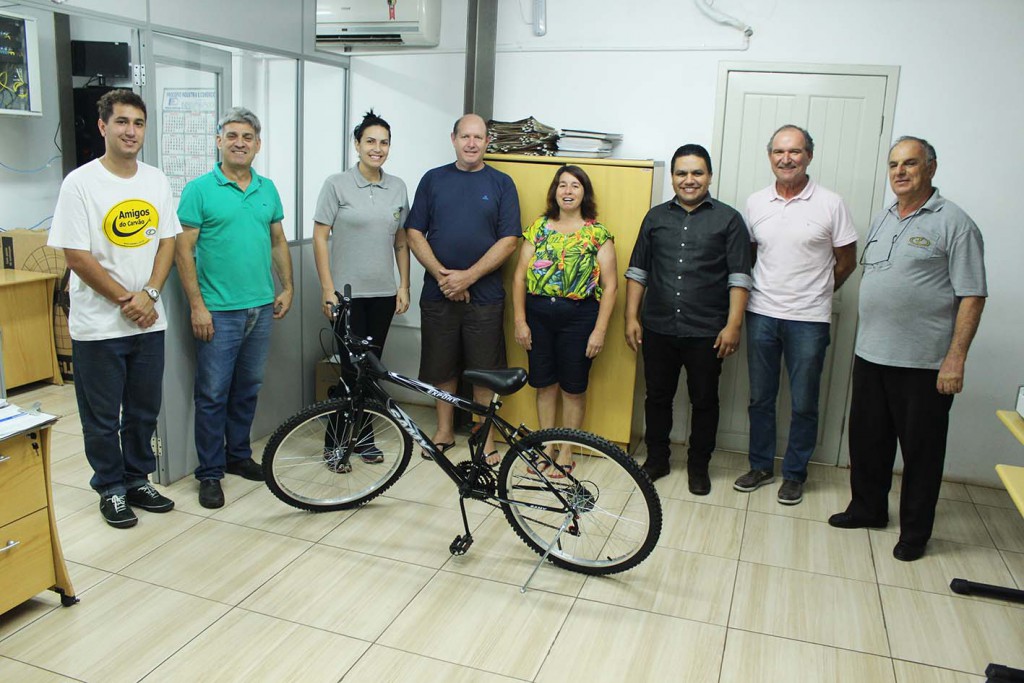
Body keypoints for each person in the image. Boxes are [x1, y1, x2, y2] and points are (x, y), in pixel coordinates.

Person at [829, 136, 986, 562]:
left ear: (931, 169)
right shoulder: (884, 218)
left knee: (921, 453)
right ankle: (867, 508)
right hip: (872, 354)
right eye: (894, 164)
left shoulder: (955, 223)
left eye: (911, 163)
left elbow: (972, 295)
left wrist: (955, 358)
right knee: (868, 441)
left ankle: (915, 533)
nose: (900, 171)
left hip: (923, 363)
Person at [48, 89, 180, 528]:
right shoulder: (80, 183)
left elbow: (167, 241)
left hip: (149, 322)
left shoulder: (155, 180)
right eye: (122, 122)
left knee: (143, 410)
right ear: (103, 126)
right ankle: (110, 487)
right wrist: (128, 300)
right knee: (102, 416)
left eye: (138, 123)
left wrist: (152, 295)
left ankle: (137, 477)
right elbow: (75, 255)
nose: (131, 131)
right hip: (99, 327)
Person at [176, 106, 294, 509]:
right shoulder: (199, 190)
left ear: (257, 144)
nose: (240, 143)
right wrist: (197, 305)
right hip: (218, 312)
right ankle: (209, 473)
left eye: (247, 137)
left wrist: (288, 286)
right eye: (232, 136)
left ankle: (238, 455)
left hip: (260, 307)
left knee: (247, 389)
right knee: (211, 394)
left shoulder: (268, 189)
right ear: (219, 141)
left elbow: (278, 241)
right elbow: (183, 251)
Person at [734, 124, 857, 505]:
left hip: (809, 319)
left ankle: (795, 474)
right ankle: (760, 466)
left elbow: (847, 262)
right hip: (762, 314)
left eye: (795, 151)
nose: (786, 158)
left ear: (809, 156)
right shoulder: (755, 203)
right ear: (770, 156)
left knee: (804, 402)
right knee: (760, 399)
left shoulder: (831, 203)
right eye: (779, 152)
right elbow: (750, 257)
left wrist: (817, 292)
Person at [625, 144, 751, 494]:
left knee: (705, 401)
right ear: (673, 177)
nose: (689, 180)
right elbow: (638, 271)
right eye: (682, 173)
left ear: (709, 176)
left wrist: (734, 325)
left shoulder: (728, 219)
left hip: (707, 330)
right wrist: (630, 317)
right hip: (658, 326)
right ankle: (658, 459)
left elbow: (739, 276)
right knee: (657, 397)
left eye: (697, 173)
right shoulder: (655, 218)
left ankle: (698, 466)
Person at [406, 113, 520, 463]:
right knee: (442, 368)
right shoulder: (433, 180)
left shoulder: (502, 183)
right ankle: (443, 432)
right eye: (465, 136)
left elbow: (509, 241)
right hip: (438, 293)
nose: (471, 143)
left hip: (485, 297)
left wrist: (467, 277)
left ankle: (484, 440)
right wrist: (445, 278)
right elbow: (413, 233)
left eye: (478, 137)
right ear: (453, 138)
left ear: (488, 142)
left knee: (484, 370)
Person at [313, 110, 410, 468]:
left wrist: (405, 285)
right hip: (346, 297)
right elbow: (320, 237)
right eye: (370, 141)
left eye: (384, 142)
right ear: (357, 145)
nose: (377, 148)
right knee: (351, 371)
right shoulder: (336, 184)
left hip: (383, 295)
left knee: (371, 370)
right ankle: (335, 444)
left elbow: (401, 242)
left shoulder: (397, 186)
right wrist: (327, 288)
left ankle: (364, 436)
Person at [512, 165, 617, 476]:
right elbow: (519, 276)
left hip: (580, 318)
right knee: (544, 384)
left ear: (585, 192)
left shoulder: (597, 233)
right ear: (554, 192)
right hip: (538, 315)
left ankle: (567, 449)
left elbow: (610, 286)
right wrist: (520, 320)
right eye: (562, 185)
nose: (568, 191)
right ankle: (547, 445)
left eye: (575, 186)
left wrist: (599, 330)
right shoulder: (538, 228)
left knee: (572, 387)